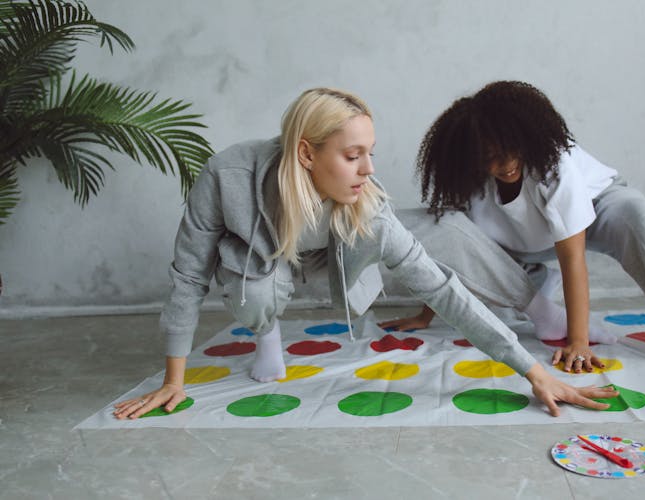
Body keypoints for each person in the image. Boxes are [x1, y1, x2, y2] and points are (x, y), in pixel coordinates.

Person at [114, 87, 617, 420]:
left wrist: (533, 371)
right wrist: (173, 381)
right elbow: (188, 275)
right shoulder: (226, 178)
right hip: (264, 260)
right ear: (307, 154)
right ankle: (265, 334)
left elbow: (443, 289)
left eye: (369, 153)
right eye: (353, 156)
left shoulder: (367, 208)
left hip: (329, 254)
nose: (369, 169)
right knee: (253, 295)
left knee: (409, 245)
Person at [379, 81, 645, 381]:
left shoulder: (554, 166)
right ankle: (537, 294)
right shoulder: (470, 180)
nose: (503, 165)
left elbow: (573, 261)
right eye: (489, 156)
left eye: (509, 151)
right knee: (440, 224)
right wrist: (426, 313)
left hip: (596, 213)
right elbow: (454, 248)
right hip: (519, 243)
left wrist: (578, 341)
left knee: (639, 214)